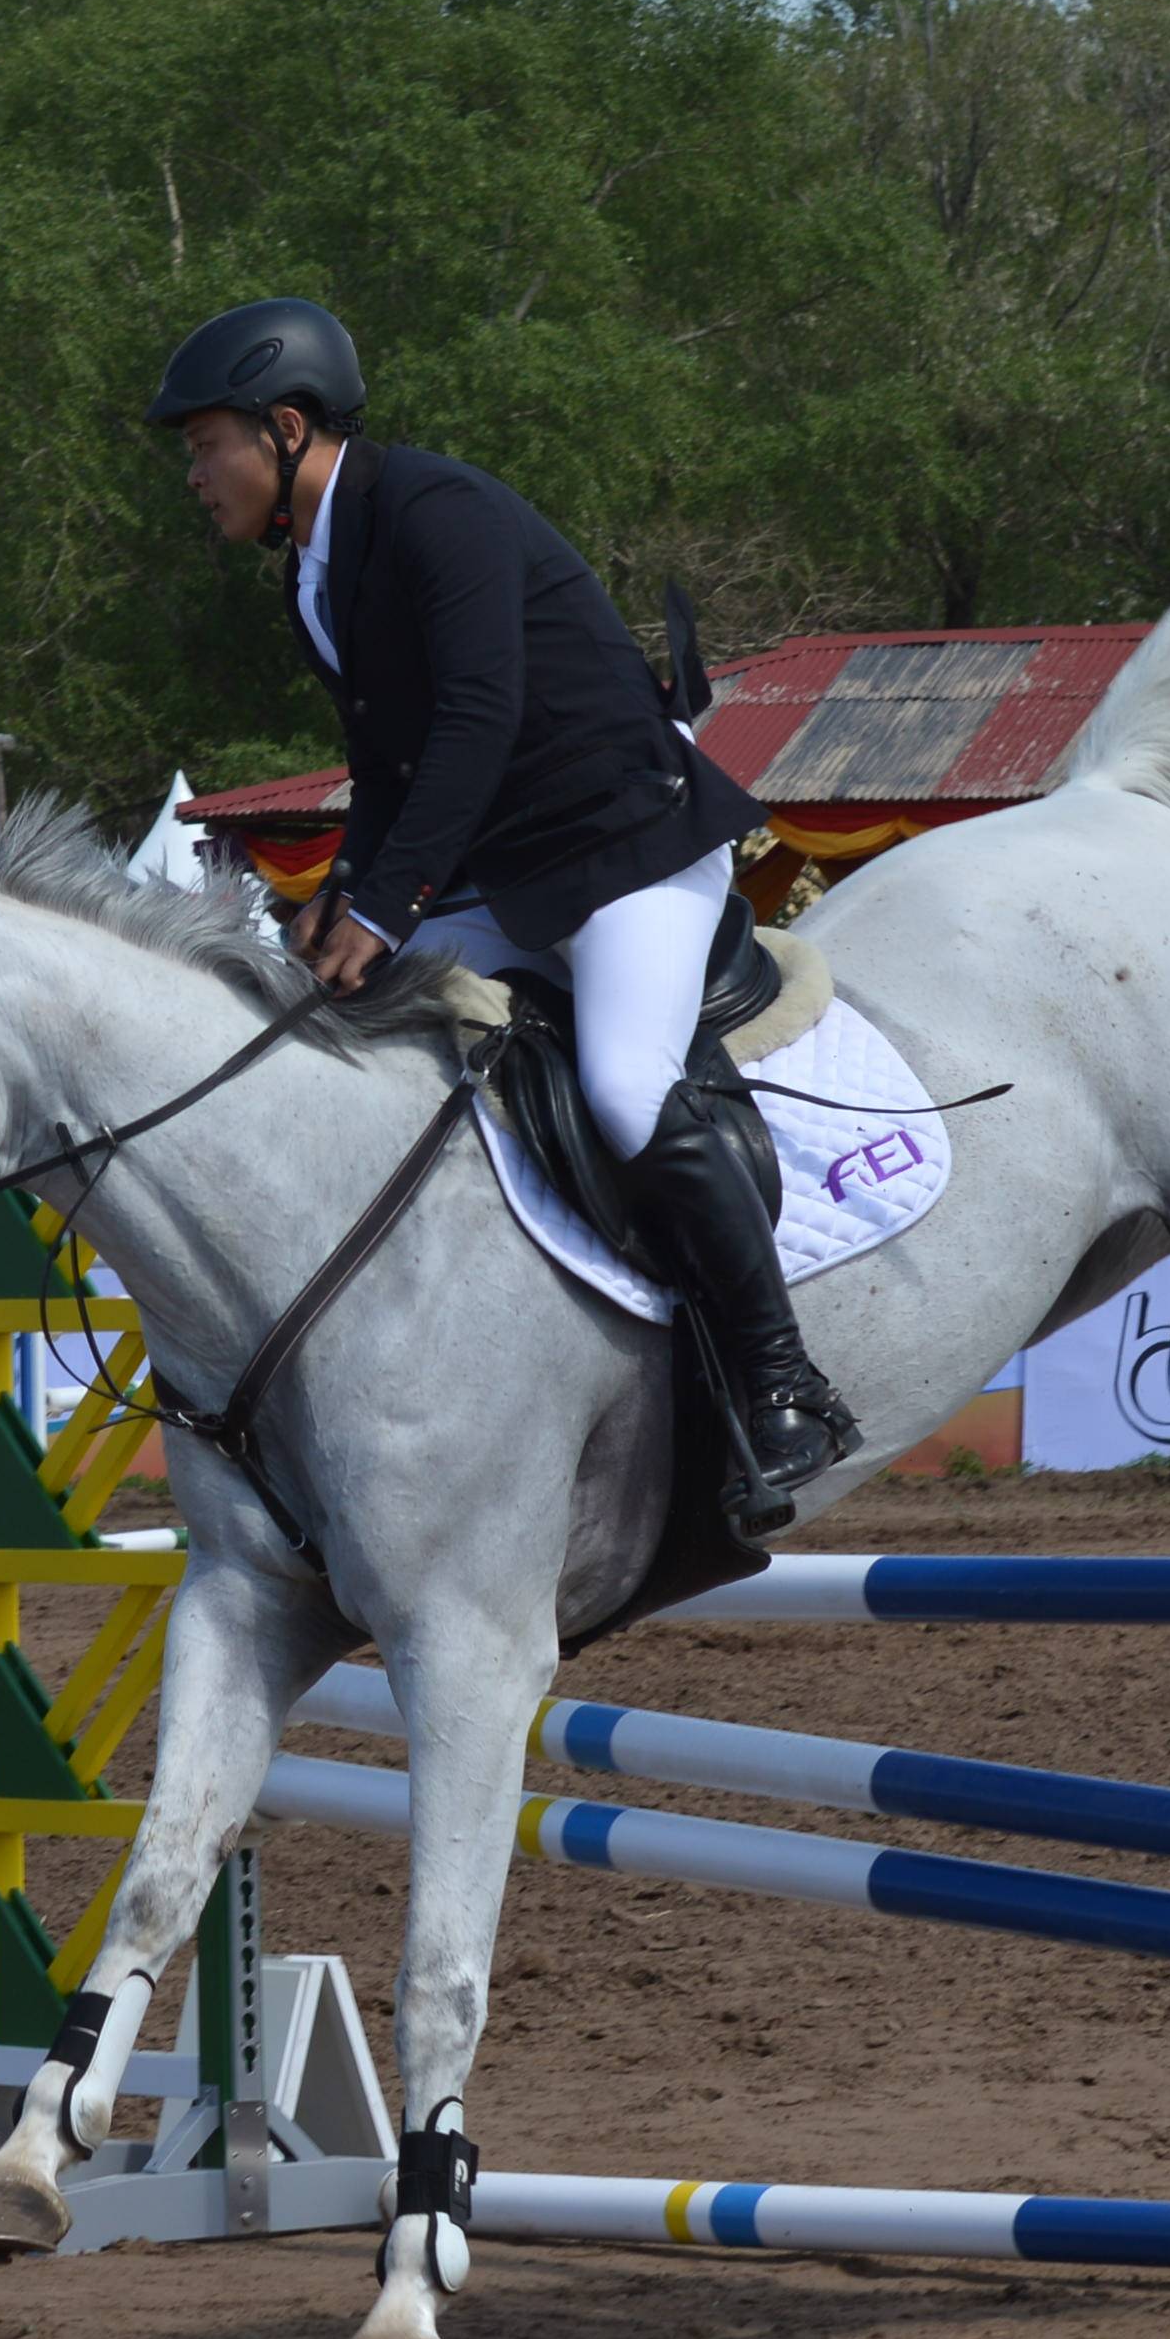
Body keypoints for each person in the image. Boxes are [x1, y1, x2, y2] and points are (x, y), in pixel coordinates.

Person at [147, 291, 841, 1530]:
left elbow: (479, 719)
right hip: (515, 879)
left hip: (630, 853)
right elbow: (394, 762)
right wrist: (340, 906)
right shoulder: (318, 568)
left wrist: (388, 900)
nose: (194, 475)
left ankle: (782, 1377)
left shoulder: (431, 511)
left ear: (288, 427)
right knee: (336, 1026)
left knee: (628, 1084)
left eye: (207, 445)